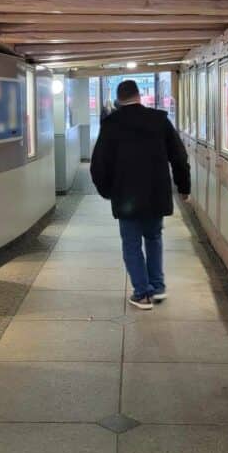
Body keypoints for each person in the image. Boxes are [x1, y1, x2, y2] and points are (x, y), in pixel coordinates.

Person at [90, 78, 191, 310]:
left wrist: (107, 191)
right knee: (154, 238)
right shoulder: (160, 120)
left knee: (132, 244)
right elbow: (179, 157)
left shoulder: (111, 124)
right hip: (156, 194)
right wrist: (184, 187)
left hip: (126, 197)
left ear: (119, 99)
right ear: (139, 96)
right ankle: (157, 287)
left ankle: (142, 294)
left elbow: (98, 165)